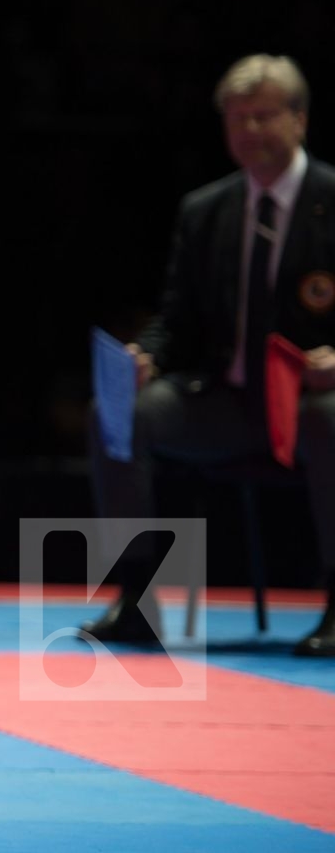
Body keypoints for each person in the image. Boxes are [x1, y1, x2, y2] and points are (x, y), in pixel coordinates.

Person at [85, 53, 335, 657]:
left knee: (331, 421)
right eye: (237, 118)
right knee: (119, 412)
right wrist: (147, 356)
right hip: (226, 402)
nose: (249, 130)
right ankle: (137, 600)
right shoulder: (206, 210)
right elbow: (178, 320)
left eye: (263, 116)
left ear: (299, 119)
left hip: (311, 405)